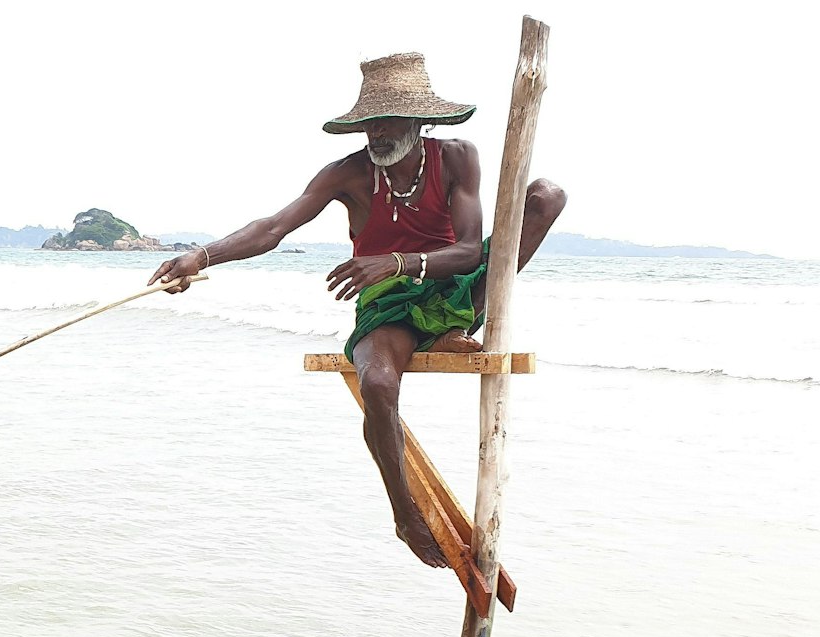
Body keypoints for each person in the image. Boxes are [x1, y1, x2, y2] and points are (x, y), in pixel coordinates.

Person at [149, 52, 565, 568]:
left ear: (420, 121)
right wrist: (201, 255)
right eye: (370, 123)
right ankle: (404, 515)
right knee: (378, 382)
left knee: (546, 195)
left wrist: (397, 261)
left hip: (454, 285)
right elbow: (274, 228)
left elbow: (466, 249)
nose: (378, 133)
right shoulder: (347, 173)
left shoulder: (457, 157)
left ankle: (449, 327)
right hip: (386, 302)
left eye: (390, 120)